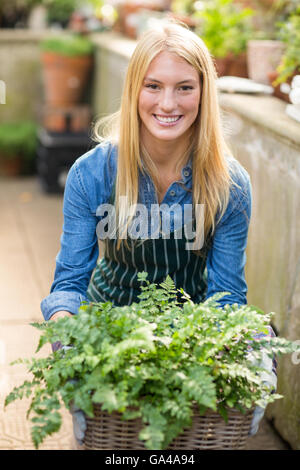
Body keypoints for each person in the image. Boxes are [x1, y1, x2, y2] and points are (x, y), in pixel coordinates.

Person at [40, 20, 276, 445]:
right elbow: (70, 281)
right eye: (154, 86)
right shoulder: (92, 175)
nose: (168, 103)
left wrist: (246, 349)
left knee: (263, 336)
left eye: (185, 87)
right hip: (107, 336)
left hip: (189, 340)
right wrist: (68, 337)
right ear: (134, 90)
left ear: (205, 93)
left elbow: (226, 295)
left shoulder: (230, 185)